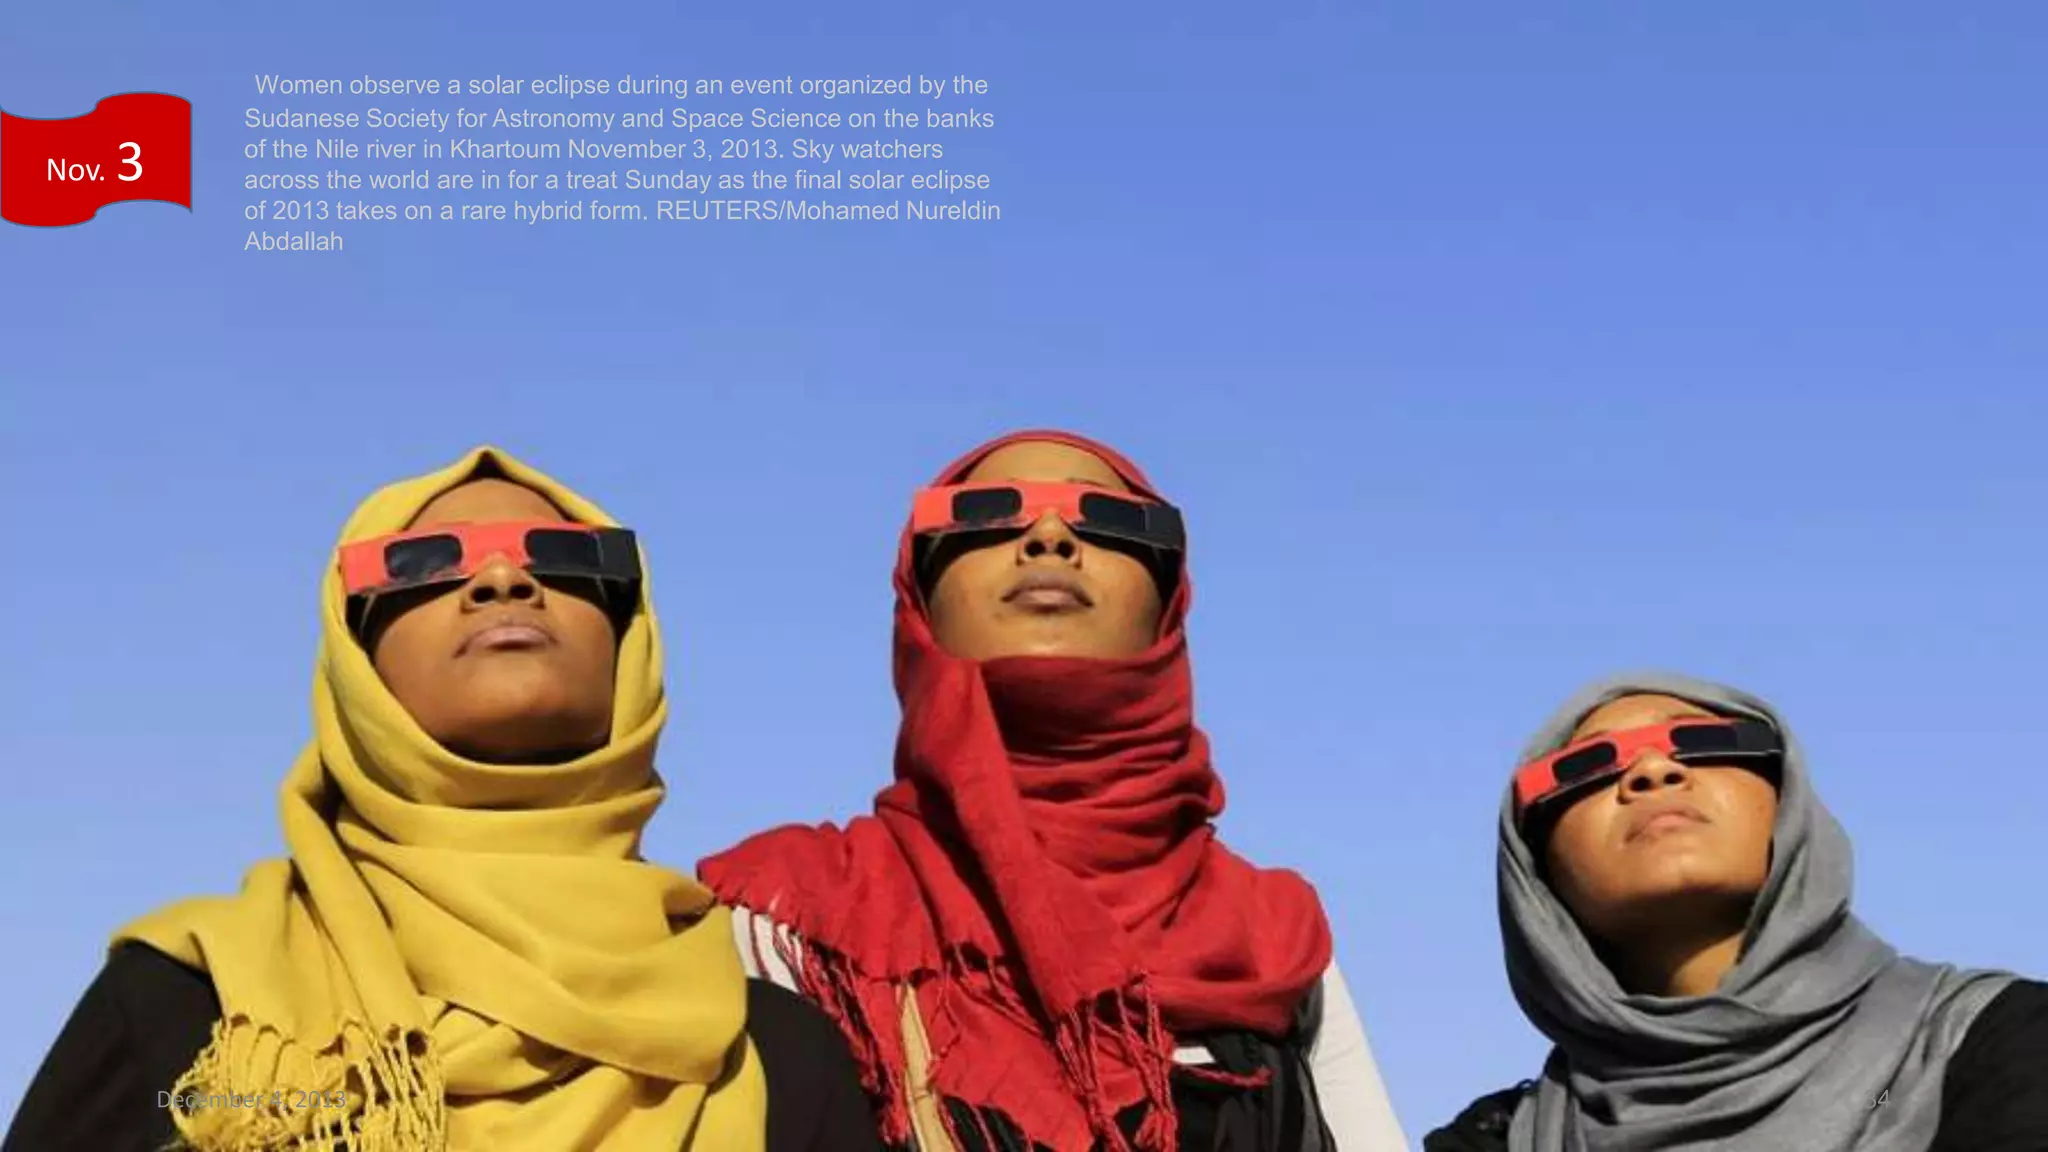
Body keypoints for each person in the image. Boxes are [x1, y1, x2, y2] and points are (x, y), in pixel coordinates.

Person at [4, 447, 881, 1152]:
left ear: (632, 640)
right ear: (356, 661)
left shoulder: (767, 1051)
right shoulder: (195, 1002)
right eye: (419, 563)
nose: (502, 580)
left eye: (567, 556)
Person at [700, 430, 1408, 1152]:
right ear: (919, 601)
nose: (1049, 536)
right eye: (983, 512)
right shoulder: (779, 923)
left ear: (1169, 607)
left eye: (1110, 519)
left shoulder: (1274, 944)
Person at [1424, 673, 2048, 1152]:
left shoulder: (1999, 1042)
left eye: (1702, 741)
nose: (1653, 770)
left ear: (1788, 800)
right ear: (1533, 870)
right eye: (1584, 765)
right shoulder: (1493, 1140)